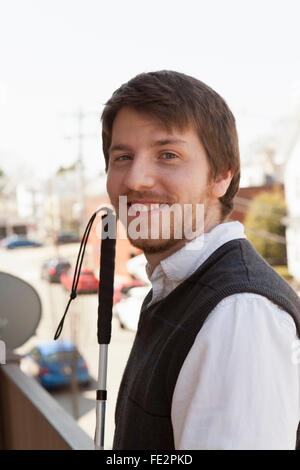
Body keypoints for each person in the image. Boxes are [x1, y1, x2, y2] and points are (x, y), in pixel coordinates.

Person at [101, 70, 300, 450]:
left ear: (222, 175)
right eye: (122, 156)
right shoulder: (175, 285)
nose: (136, 179)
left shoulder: (239, 314)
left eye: (168, 155)